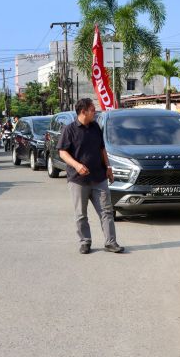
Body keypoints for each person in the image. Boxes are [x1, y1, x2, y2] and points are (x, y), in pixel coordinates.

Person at [57, 98, 124, 255]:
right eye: (92, 109)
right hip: (78, 180)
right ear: (83, 111)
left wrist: (108, 167)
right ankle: (85, 241)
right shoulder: (69, 130)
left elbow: (102, 149)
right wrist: (77, 165)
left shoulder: (95, 127)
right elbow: (62, 152)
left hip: (99, 178)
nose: (95, 112)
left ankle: (111, 242)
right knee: (81, 214)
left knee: (106, 211)